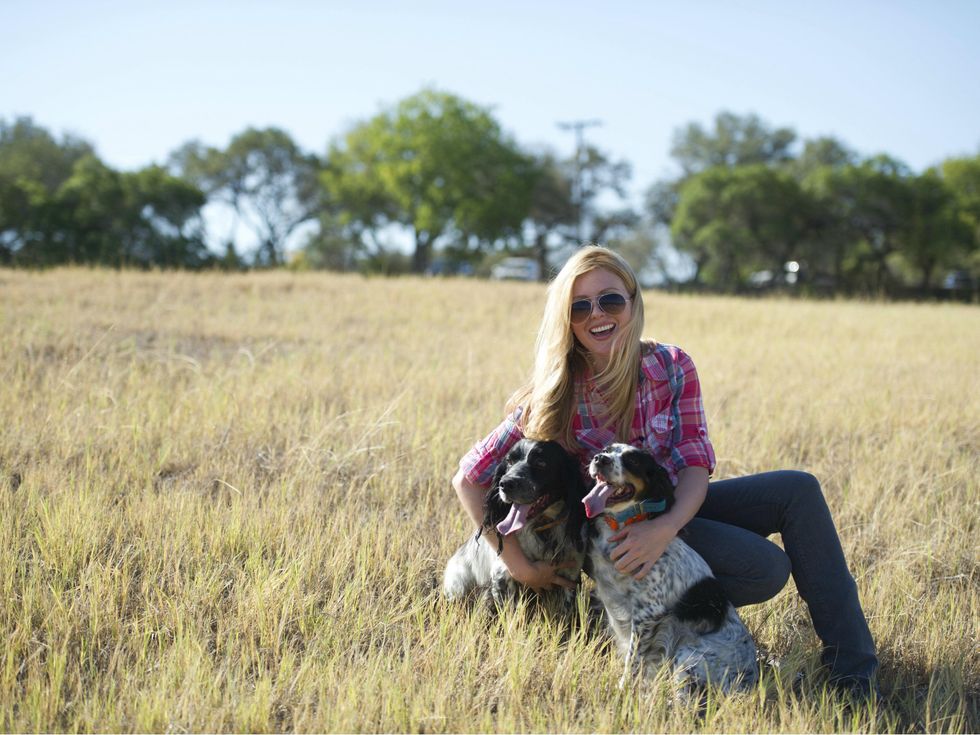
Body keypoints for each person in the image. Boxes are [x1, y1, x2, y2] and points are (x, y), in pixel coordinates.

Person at [451, 245, 879, 698]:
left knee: (798, 489)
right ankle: (668, 633)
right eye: (580, 307)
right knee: (764, 568)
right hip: (614, 533)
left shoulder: (671, 365)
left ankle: (853, 674)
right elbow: (468, 478)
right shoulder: (554, 392)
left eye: (610, 300)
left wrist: (666, 527)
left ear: (634, 302)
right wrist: (518, 565)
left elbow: (694, 464)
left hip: (672, 510)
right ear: (567, 321)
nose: (597, 314)